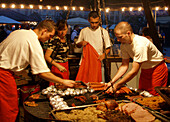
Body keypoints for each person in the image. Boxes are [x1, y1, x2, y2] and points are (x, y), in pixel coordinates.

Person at [0, 20, 75, 122]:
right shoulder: (33, 42)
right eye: (50, 35)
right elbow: (42, 72)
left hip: (6, 71)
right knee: (9, 109)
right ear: (44, 31)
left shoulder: (19, 32)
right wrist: (62, 81)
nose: (50, 39)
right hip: (3, 74)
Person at [106, 21, 168, 96]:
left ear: (128, 33)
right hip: (145, 70)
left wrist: (117, 85)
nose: (118, 40)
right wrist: (112, 82)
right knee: (142, 94)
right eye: (117, 37)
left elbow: (134, 71)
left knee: (154, 97)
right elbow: (124, 65)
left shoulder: (140, 44)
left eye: (120, 37)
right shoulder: (124, 45)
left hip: (157, 69)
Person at [75, 11, 112, 83]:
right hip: (85, 62)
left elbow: (108, 47)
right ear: (89, 20)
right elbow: (77, 45)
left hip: (98, 61)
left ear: (99, 21)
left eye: (96, 22)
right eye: (92, 22)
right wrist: (81, 43)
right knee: (84, 83)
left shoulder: (104, 32)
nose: (94, 25)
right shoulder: (84, 31)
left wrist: (103, 55)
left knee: (98, 84)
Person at [45, 20, 70, 86]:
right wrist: (58, 66)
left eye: (64, 29)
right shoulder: (55, 39)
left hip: (65, 65)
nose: (62, 32)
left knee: (65, 87)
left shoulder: (65, 38)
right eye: (60, 30)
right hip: (57, 67)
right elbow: (47, 56)